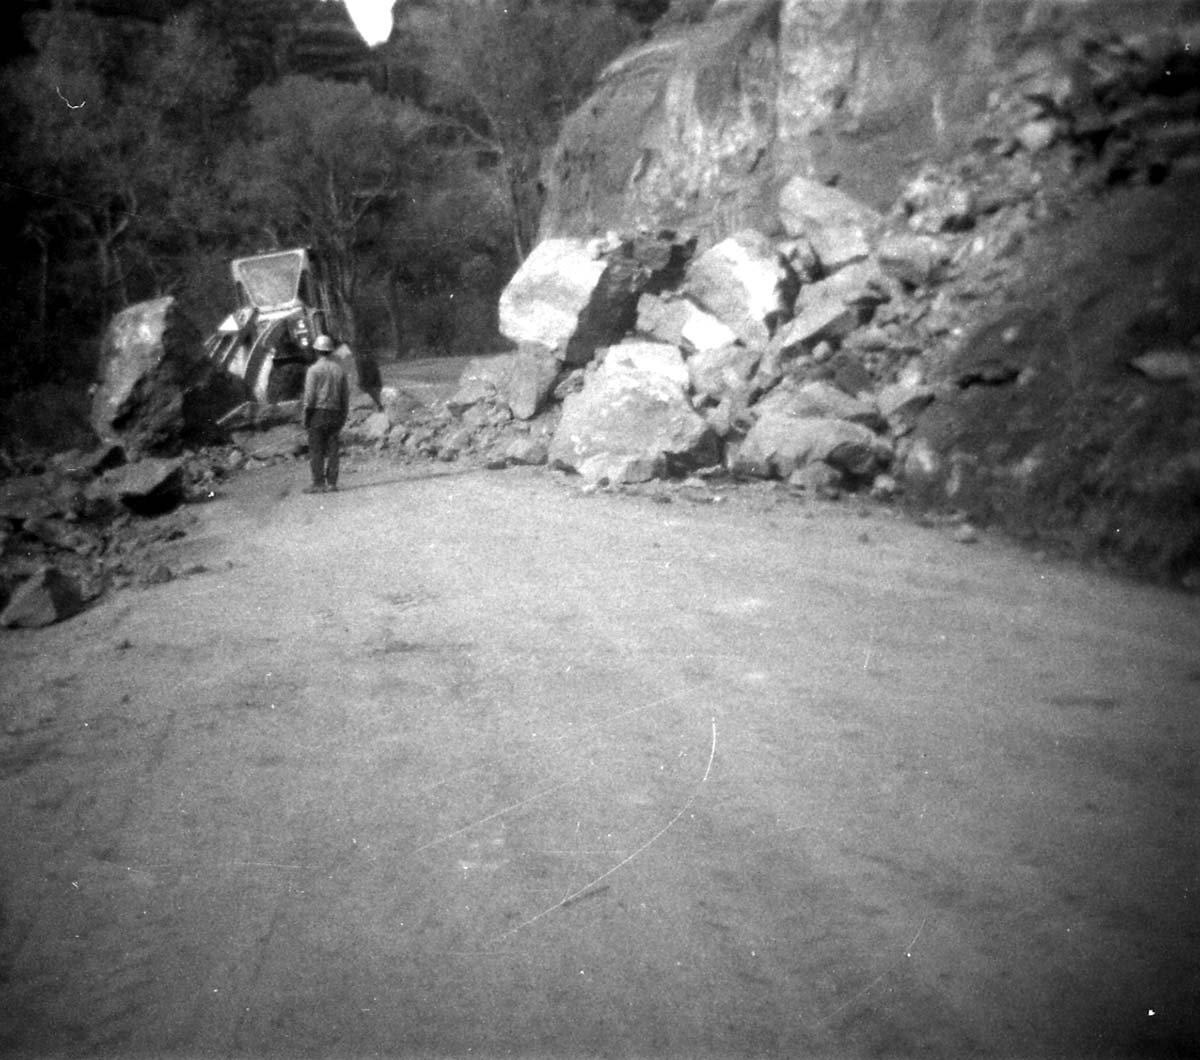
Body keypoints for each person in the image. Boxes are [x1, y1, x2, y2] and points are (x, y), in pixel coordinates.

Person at [301, 334, 349, 493]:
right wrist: (343, 416)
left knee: (316, 449)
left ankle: (318, 483)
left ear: (316, 351)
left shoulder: (313, 370)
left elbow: (309, 397)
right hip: (335, 413)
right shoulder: (339, 370)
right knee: (333, 449)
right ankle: (332, 483)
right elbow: (345, 396)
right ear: (330, 351)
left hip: (318, 413)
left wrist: (306, 417)